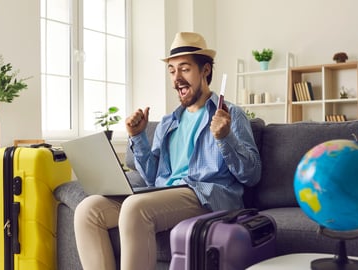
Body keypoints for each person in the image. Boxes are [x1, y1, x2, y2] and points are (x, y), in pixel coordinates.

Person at [74, 32, 261, 270]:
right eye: (172, 71)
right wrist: (137, 136)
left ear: (205, 71)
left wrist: (226, 139)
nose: (177, 78)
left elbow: (252, 175)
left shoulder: (231, 115)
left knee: (135, 208)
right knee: (88, 210)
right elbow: (153, 177)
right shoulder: (168, 122)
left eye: (184, 69)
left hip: (207, 194)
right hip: (167, 192)